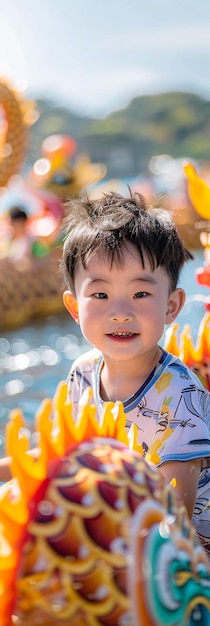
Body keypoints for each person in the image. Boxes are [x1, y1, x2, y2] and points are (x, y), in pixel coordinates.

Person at [60, 190, 210, 555]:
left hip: (188, 550)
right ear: (74, 307)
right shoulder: (81, 376)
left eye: (141, 294)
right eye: (100, 296)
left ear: (172, 306)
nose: (120, 312)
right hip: (114, 529)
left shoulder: (180, 394)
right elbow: (57, 459)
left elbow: (177, 515)